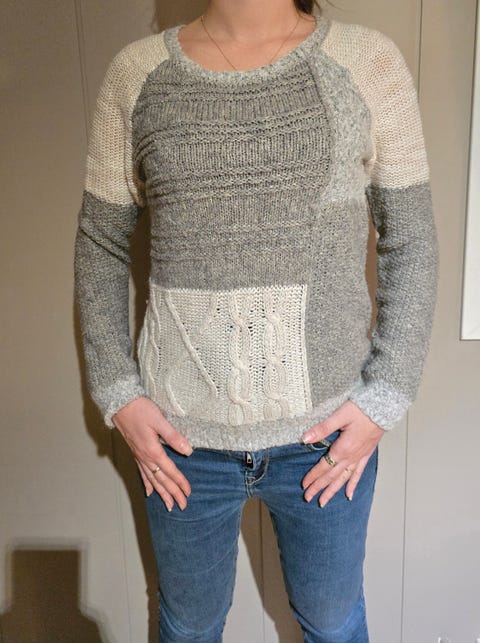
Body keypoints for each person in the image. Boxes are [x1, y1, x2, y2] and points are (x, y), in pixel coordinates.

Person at [73, 0, 439, 640]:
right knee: (189, 626)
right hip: (181, 444)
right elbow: (100, 242)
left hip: (326, 441)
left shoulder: (365, 61)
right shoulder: (137, 72)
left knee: (333, 624)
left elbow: (411, 239)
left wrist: (385, 398)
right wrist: (118, 393)